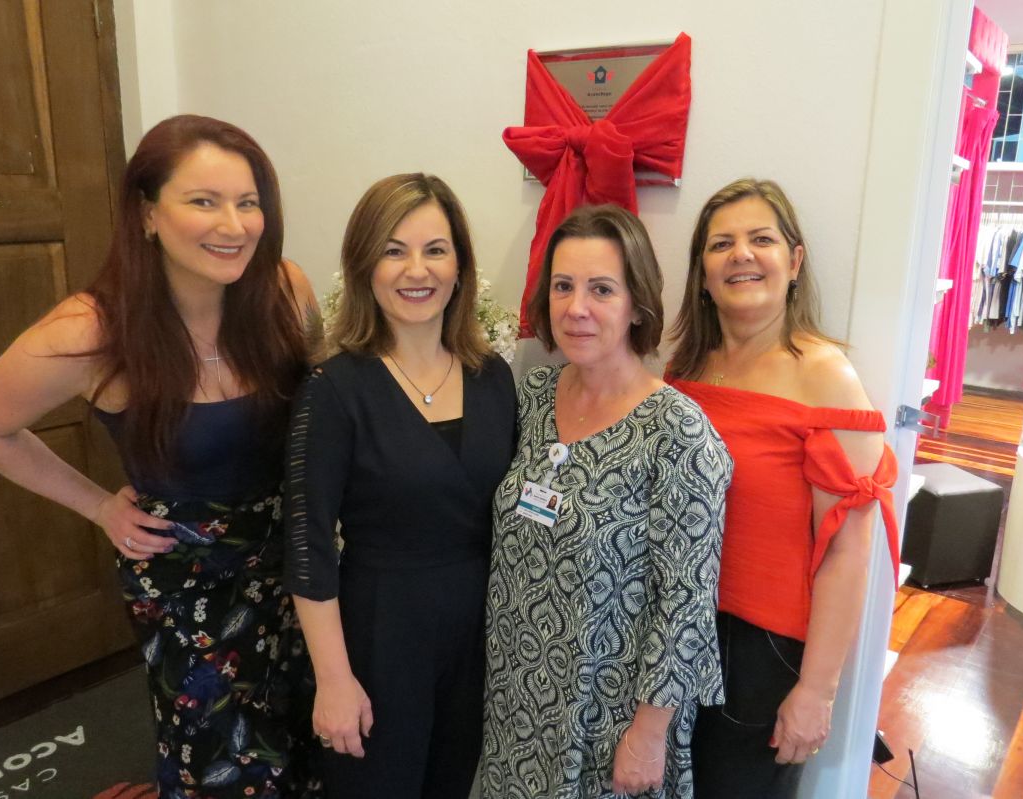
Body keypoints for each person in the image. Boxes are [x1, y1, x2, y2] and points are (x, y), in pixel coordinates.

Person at [0, 114, 323, 798]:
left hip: (295, 560)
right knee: (219, 763)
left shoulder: (285, 291)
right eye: (204, 201)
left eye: (248, 203)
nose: (234, 225)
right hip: (185, 582)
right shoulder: (91, 330)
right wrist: (99, 506)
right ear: (148, 214)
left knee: (308, 736)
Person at [482, 205, 731, 798]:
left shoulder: (677, 431)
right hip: (515, 701)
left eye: (601, 289)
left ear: (637, 303)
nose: (577, 308)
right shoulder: (532, 396)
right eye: (563, 286)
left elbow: (687, 601)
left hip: (612, 715)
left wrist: (648, 733)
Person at [283, 173, 516, 798]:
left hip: (476, 636)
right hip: (379, 632)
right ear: (364, 266)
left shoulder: (492, 376)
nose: (417, 270)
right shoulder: (334, 389)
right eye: (394, 250)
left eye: (435, 250)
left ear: (460, 266)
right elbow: (306, 543)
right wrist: (334, 680)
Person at [666, 178, 899, 798]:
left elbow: (849, 552)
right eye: (721, 244)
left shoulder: (826, 377)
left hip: (760, 654)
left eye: (761, 239)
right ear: (703, 272)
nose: (741, 254)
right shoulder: (685, 369)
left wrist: (817, 690)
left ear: (794, 261)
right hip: (671, 632)